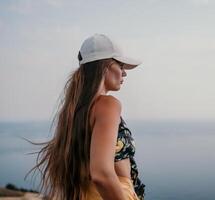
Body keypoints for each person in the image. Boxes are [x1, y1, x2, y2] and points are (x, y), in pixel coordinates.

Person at [27, 34, 146, 200]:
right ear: (106, 66)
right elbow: (101, 174)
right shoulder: (108, 105)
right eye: (120, 65)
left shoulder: (73, 111)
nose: (124, 73)